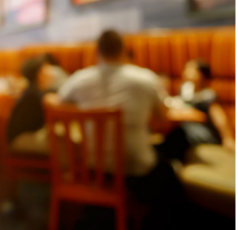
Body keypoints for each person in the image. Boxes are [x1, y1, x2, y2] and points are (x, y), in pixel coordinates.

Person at [56, 30, 185, 229]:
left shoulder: (79, 79)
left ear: (97, 52)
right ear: (124, 51)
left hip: (91, 169)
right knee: (169, 172)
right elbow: (163, 121)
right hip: (135, 171)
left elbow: (57, 104)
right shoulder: (145, 79)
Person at [159, 60, 235, 160]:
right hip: (187, 127)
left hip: (204, 131)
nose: (186, 71)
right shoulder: (185, 89)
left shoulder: (208, 95)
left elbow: (219, 117)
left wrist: (228, 138)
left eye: (192, 69)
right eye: (186, 68)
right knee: (174, 134)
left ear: (202, 75)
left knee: (179, 136)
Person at [6, 56, 51, 154]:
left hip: (27, 134)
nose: (51, 74)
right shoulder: (34, 94)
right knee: (60, 143)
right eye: (46, 70)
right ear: (38, 74)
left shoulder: (33, 90)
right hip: (21, 138)